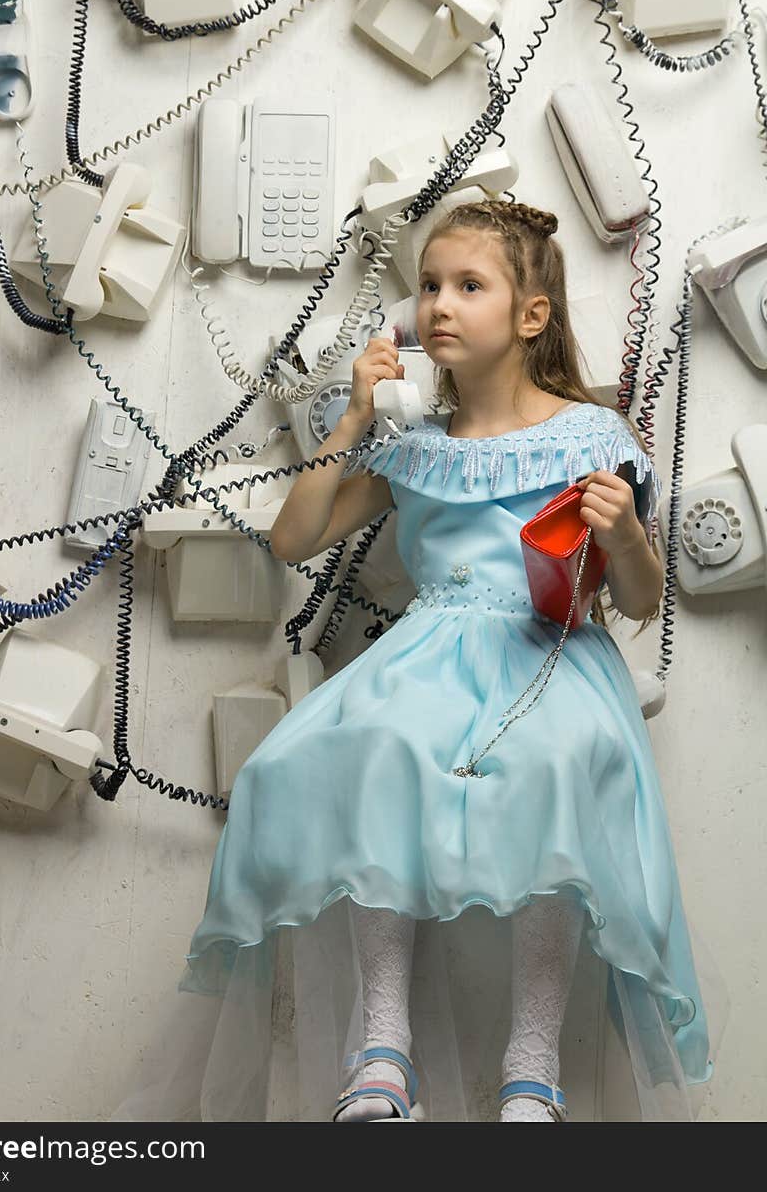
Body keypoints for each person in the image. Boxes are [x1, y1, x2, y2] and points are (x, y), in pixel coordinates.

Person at [110, 199, 725, 1124]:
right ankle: (384, 1051)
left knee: (556, 768)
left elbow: (636, 600)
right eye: (428, 285)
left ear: (530, 315)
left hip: (545, 651)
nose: (438, 304)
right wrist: (355, 412)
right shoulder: (414, 448)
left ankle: (532, 1067)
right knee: (367, 752)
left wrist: (629, 534)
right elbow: (291, 538)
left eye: (467, 286)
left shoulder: (591, 436)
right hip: (432, 651)